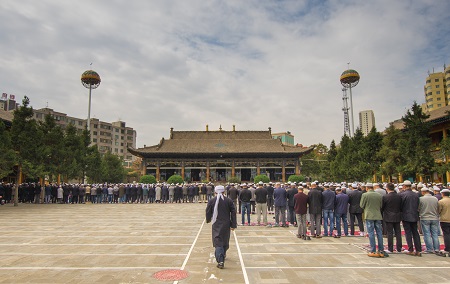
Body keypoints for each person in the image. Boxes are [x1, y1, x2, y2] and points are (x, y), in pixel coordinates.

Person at [206, 185, 237, 269]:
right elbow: (233, 213)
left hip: (216, 223)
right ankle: (222, 254)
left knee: (218, 240)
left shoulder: (212, 200)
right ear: (224, 192)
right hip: (226, 223)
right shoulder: (228, 201)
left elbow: (208, 211)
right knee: (225, 239)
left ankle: (220, 260)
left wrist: (208, 219)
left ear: (215, 192)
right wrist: (233, 224)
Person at [360, 182, 387, 258]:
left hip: (369, 215)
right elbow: (381, 205)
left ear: (367, 188)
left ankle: (373, 250)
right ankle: (381, 250)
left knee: (371, 233)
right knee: (379, 233)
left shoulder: (365, 195)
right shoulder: (379, 195)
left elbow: (362, 205)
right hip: (378, 215)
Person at [419, 187, 443, 255]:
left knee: (427, 234)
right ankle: (436, 248)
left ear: (423, 192)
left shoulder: (421, 199)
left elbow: (419, 208)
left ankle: (429, 249)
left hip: (425, 217)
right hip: (434, 217)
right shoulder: (435, 199)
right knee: (435, 234)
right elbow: (438, 208)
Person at [401, 180, 422, 256]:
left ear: (404, 186)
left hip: (406, 216)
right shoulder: (416, 195)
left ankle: (411, 249)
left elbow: (401, 206)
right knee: (415, 233)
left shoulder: (403, 195)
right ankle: (418, 250)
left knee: (408, 233)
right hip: (414, 215)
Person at [382, 182, 403, 253]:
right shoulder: (399, 196)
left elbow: (382, 207)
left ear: (387, 188)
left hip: (388, 216)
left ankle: (390, 248)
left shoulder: (385, 197)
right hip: (397, 216)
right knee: (398, 232)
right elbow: (401, 206)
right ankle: (399, 248)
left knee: (390, 233)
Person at [438, 188, 450, 256]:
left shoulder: (441, 201)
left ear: (442, 194)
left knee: (446, 234)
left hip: (444, 220)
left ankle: (447, 248)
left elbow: (439, 211)